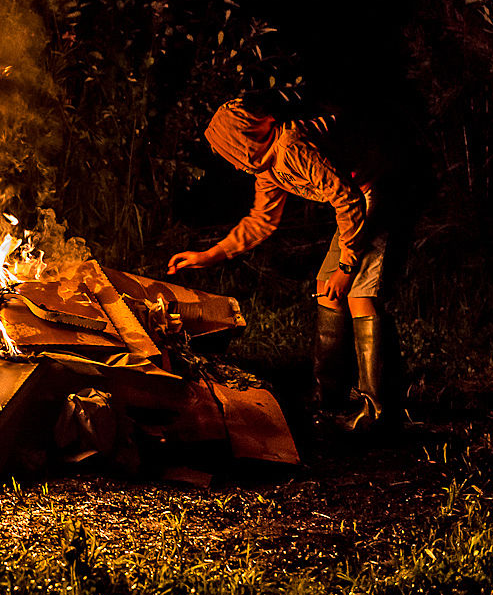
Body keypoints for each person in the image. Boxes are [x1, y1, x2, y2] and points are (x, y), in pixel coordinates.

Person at [166, 95, 408, 434]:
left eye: (230, 152)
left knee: (359, 295)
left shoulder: (292, 148)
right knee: (329, 292)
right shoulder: (269, 168)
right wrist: (209, 255)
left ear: (244, 140)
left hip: (379, 191)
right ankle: (330, 402)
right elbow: (261, 221)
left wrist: (347, 268)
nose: (233, 163)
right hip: (355, 206)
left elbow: (348, 199)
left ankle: (379, 414)